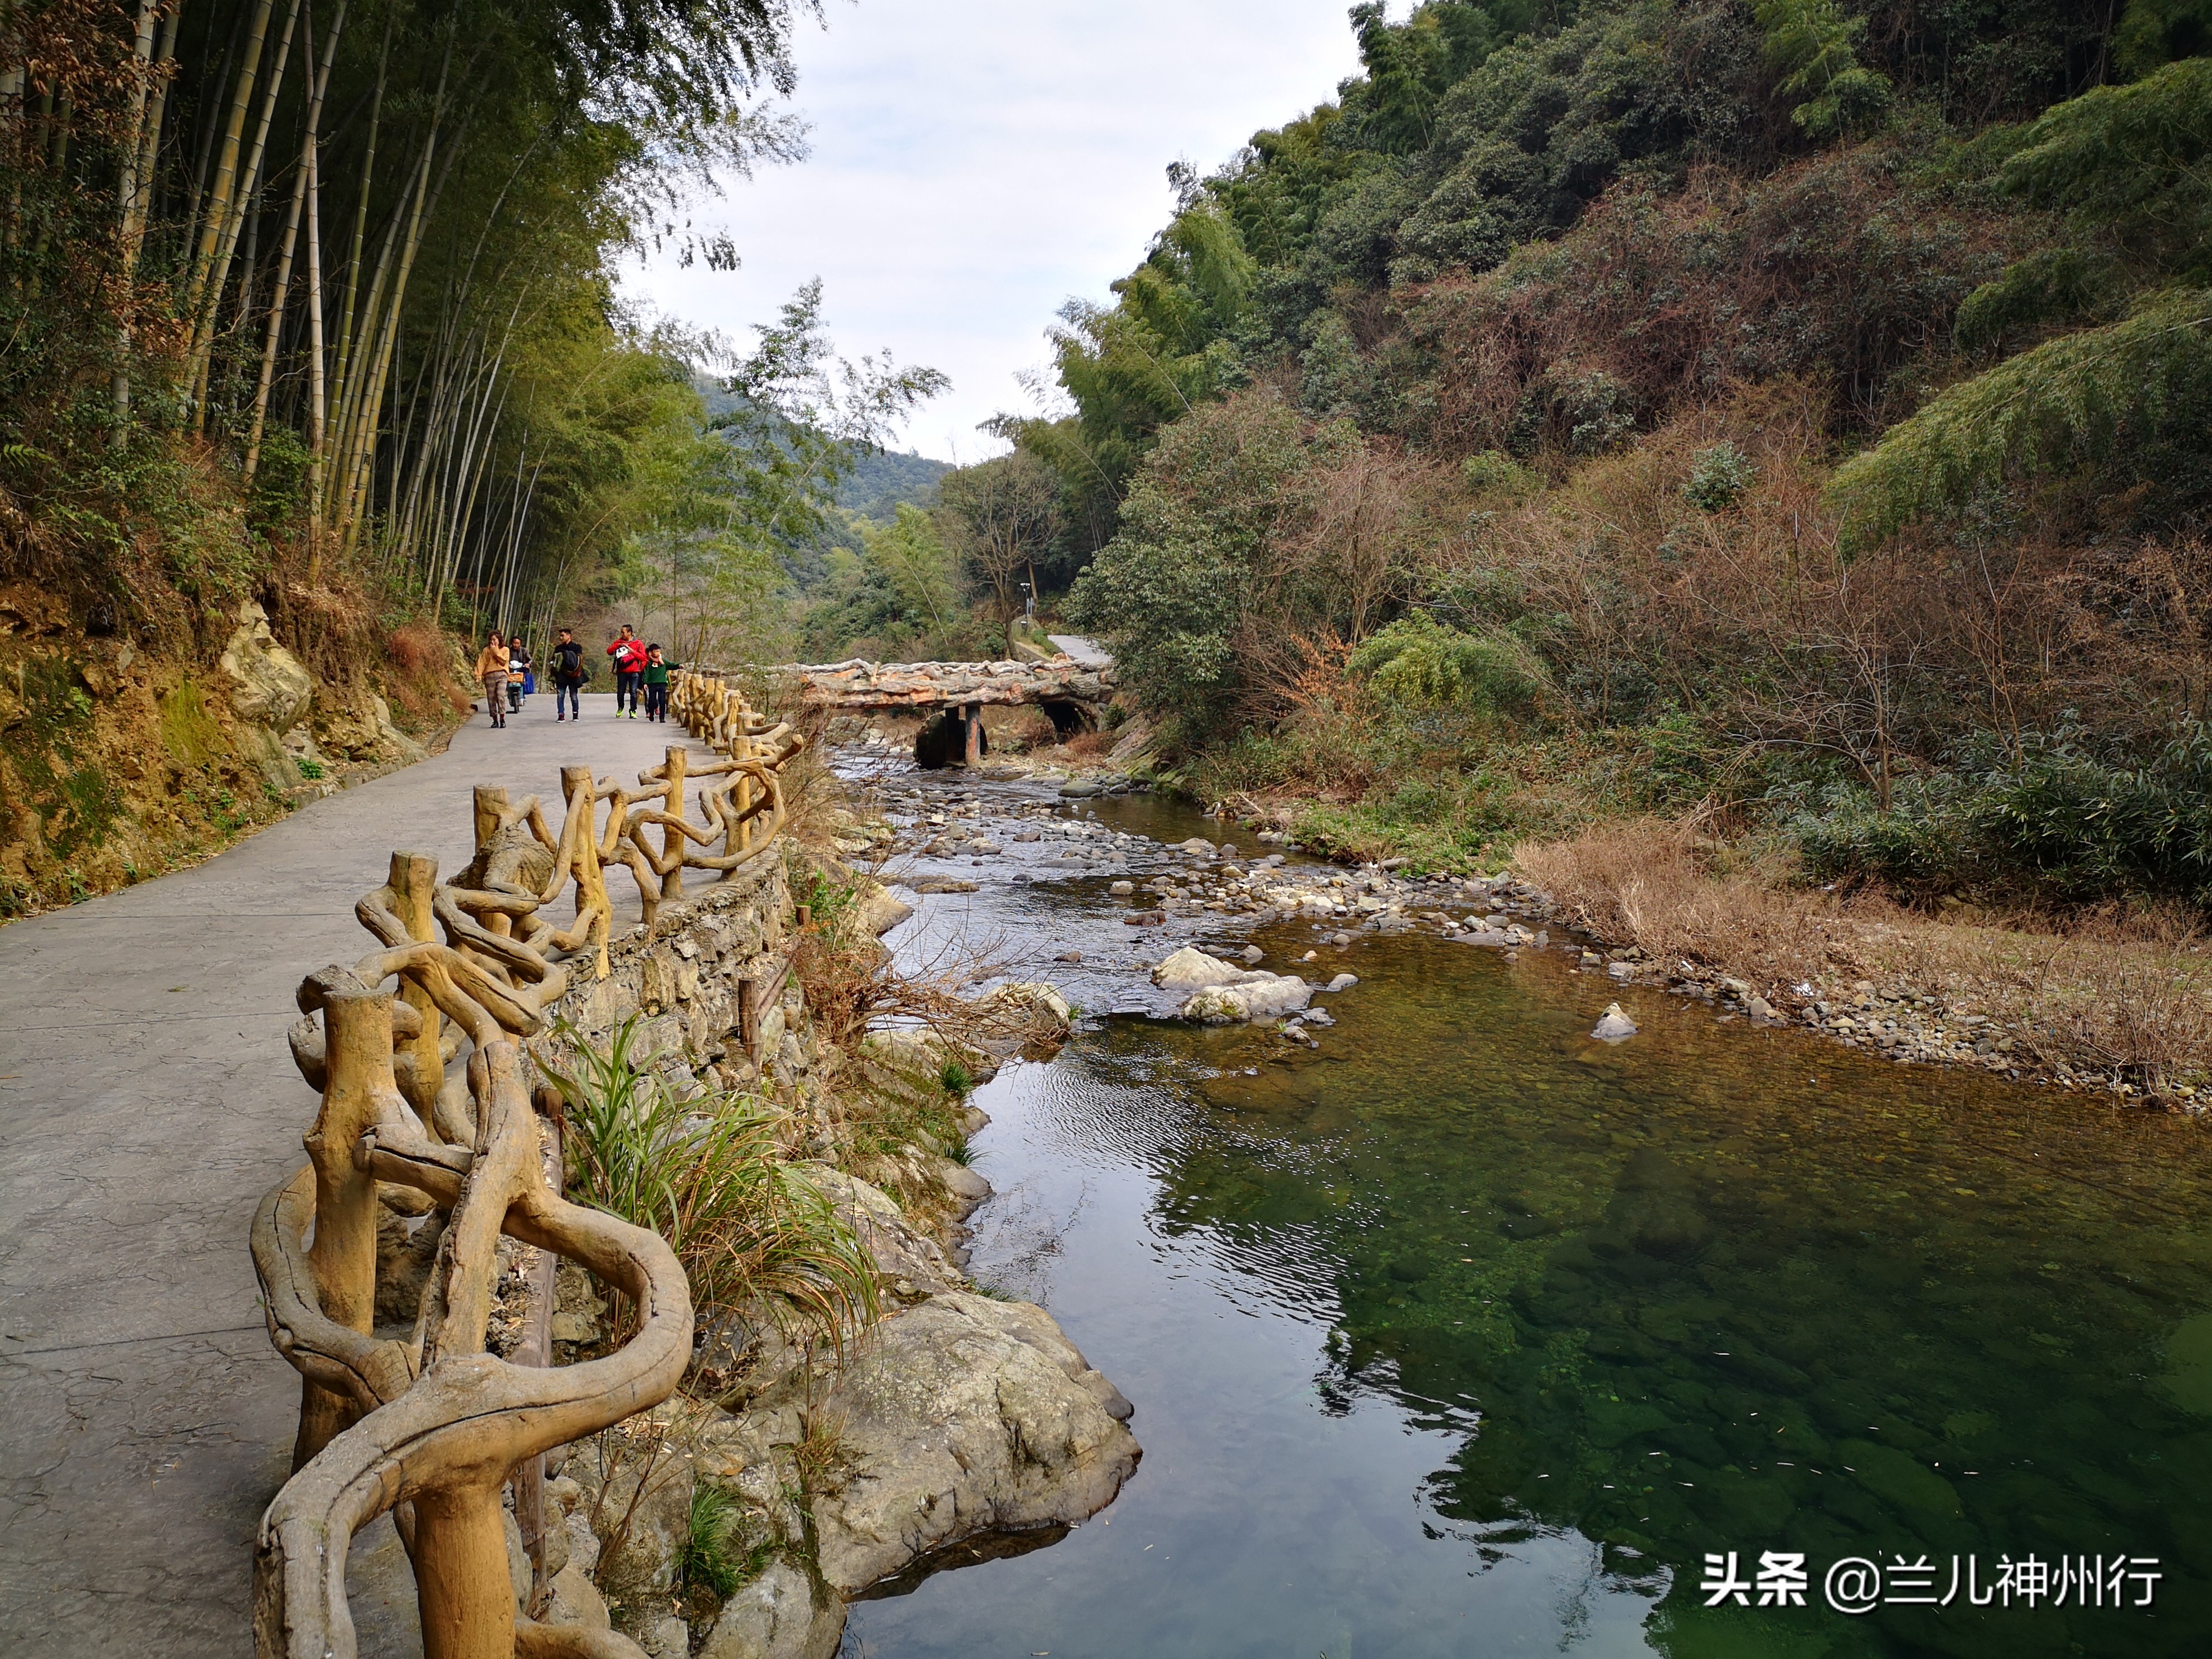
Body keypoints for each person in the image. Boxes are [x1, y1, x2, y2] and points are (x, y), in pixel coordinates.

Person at [473, 631, 511, 728]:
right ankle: (495, 720)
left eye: (494, 639)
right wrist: (478, 675)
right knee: (491, 699)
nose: (492, 641)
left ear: (499, 640)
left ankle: (502, 719)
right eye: (491, 640)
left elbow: (503, 661)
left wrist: (496, 651)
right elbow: (481, 663)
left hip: (502, 674)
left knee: (500, 695)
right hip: (489, 675)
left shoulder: (505, 650)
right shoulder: (486, 650)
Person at [607, 624, 646, 718]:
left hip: (634, 671)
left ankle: (633, 711)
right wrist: (618, 645)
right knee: (621, 692)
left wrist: (633, 652)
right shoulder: (619, 642)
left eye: (623, 632)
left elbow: (644, 658)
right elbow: (609, 652)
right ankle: (621, 707)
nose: (622, 634)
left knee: (633, 691)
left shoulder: (638, 643)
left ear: (630, 633)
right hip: (622, 671)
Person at [549, 628, 586, 721]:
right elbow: (554, 662)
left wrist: (577, 673)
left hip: (573, 675)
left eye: (563, 636)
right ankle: (561, 715)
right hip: (561, 676)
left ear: (569, 636)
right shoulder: (558, 648)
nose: (561, 638)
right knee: (560, 696)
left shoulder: (577, 648)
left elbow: (579, 661)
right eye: (560, 636)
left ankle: (575, 714)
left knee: (573, 696)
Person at [642, 644, 674, 722]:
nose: (657, 653)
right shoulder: (649, 663)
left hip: (662, 683)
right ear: (651, 653)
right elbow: (646, 673)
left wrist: (679, 666)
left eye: (659, 651)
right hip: (652, 684)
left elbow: (672, 665)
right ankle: (651, 714)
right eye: (655, 651)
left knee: (662, 700)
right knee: (652, 700)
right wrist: (645, 683)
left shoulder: (663, 662)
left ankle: (662, 717)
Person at [506, 635, 532, 713]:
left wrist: (528, 664)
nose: (516, 645)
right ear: (512, 643)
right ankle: (509, 695)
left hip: (521, 670)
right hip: (510, 670)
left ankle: (522, 695)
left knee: (523, 682)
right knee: (508, 683)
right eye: (515, 643)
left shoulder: (524, 651)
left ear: (520, 644)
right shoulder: (508, 651)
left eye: (518, 643)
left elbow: (530, 659)